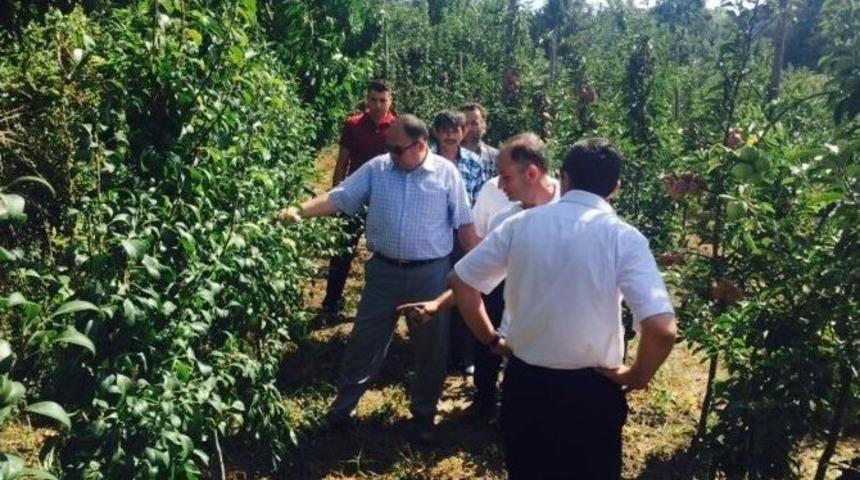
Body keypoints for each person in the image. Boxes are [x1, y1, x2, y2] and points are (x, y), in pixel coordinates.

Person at [450, 138, 678, 479]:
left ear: (565, 178)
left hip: (526, 384)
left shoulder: (519, 226)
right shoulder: (624, 238)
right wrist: (636, 376)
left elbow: (462, 282)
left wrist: (492, 341)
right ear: (614, 187)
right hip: (592, 392)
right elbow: (662, 329)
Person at [276, 115, 479, 443]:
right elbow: (339, 197)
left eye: (397, 150)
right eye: (389, 148)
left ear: (421, 146)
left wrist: (482, 270)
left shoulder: (446, 174)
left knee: (430, 348)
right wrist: (298, 211)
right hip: (383, 272)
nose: (391, 155)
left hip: (430, 274)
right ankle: (342, 410)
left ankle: (424, 415)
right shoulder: (378, 168)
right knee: (364, 341)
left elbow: (465, 226)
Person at [398, 132, 560, 417]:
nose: (499, 185)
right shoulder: (508, 221)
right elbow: (473, 277)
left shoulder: (577, 210)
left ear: (532, 173)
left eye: (506, 177)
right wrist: (438, 305)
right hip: (524, 342)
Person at [321, 79, 396, 321]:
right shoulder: (353, 125)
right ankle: (331, 303)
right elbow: (342, 162)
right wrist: (336, 196)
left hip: (384, 199)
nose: (377, 105)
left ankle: (387, 307)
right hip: (354, 197)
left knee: (387, 254)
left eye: (382, 100)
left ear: (390, 101)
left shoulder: (396, 128)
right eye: (373, 100)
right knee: (343, 251)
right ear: (367, 99)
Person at [432, 110, 494, 375]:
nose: (449, 135)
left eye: (454, 130)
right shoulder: (427, 160)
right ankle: (438, 353)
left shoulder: (473, 162)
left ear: (463, 132)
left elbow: (480, 201)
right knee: (436, 292)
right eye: (444, 130)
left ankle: (463, 353)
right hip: (434, 236)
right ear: (436, 132)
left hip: (464, 236)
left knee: (463, 293)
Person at [462, 102, 499, 175]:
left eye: (474, 123)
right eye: (465, 124)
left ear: (484, 125)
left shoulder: (497, 157)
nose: (469, 128)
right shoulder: (449, 156)